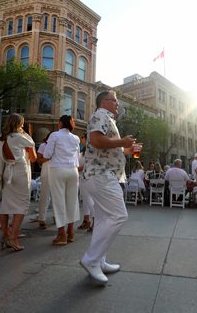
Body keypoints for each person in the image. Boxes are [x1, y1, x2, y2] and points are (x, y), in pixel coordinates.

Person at [80, 90, 138, 285]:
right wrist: (122, 142)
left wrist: (128, 149)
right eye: (114, 101)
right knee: (118, 215)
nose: (117, 105)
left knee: (104, 218)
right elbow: (96, 140)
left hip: (102, 174)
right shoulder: (100, 115)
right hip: (100, 175)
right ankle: (91, 259)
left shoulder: (107, 119)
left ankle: (100, 260)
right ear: (104, 102)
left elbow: (111, 147)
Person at [0, 113, 36, 251]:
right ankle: (13, 237)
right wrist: (25, 132)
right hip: (20, 171)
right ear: (18, 124)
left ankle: (5, 235)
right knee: (22, 204)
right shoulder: (19, 137)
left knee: (5, 205)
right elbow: (32, 149)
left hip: (7, 172)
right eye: (22, 123)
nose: (23, 126)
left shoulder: (1, 138)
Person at [43, 115, 81, 246]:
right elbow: (77, 156)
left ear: (60, 123)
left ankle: (61, 234)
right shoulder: (76, 138)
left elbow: (47, 155)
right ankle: (71, 232)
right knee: (72, 201)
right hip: (73, 170)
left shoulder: (54, 135)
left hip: (58, 169)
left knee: (59, 201)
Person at [36, 132, 52, 229]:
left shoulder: (59, 146)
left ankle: (57, 217)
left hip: (57, 171)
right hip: (46, 171)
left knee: (57, 196)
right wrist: (48, 158)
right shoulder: (43, 145)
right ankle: (42, 218)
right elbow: (38, 160)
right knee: (44, 195)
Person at [78, 138, 94, 231]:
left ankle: (95, 220)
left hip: (87, 177)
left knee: (88, 199)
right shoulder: (84, 151)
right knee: (85, 199)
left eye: (83, 138)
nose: (81, 139)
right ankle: (86, 220)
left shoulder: (90, 152)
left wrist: (77, 169)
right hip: (83, 177)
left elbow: (88, 165)